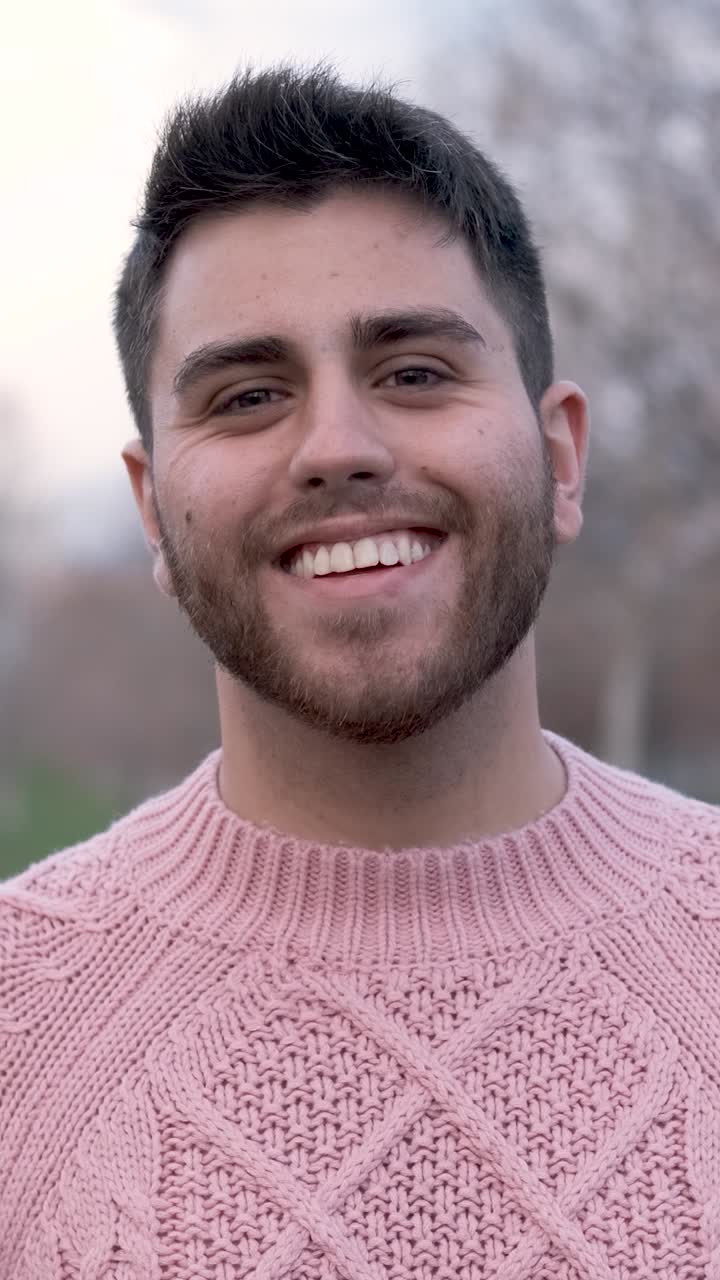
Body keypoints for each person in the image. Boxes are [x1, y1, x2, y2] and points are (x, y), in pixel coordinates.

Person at [1, 63, 719, 1280]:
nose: (337, 445)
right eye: (248, 394)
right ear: (153, 512)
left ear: (559, 457)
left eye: (416, 370)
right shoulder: (21, 1024)